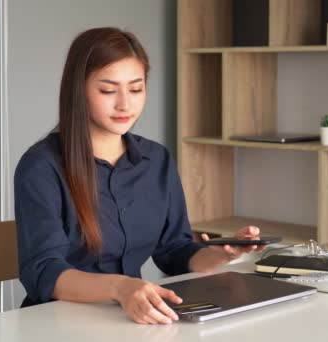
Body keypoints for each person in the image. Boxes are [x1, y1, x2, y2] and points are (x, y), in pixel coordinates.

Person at [13, 27, 263, 325]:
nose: (125, 104)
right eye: (108, 90)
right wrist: (120, 287)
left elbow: (174, 250)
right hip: (56, 324)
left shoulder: (156, 160)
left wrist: (222, 254)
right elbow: (43, 271)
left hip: (132, 318)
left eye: (136, 88)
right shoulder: (41, 166)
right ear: (78, 90)